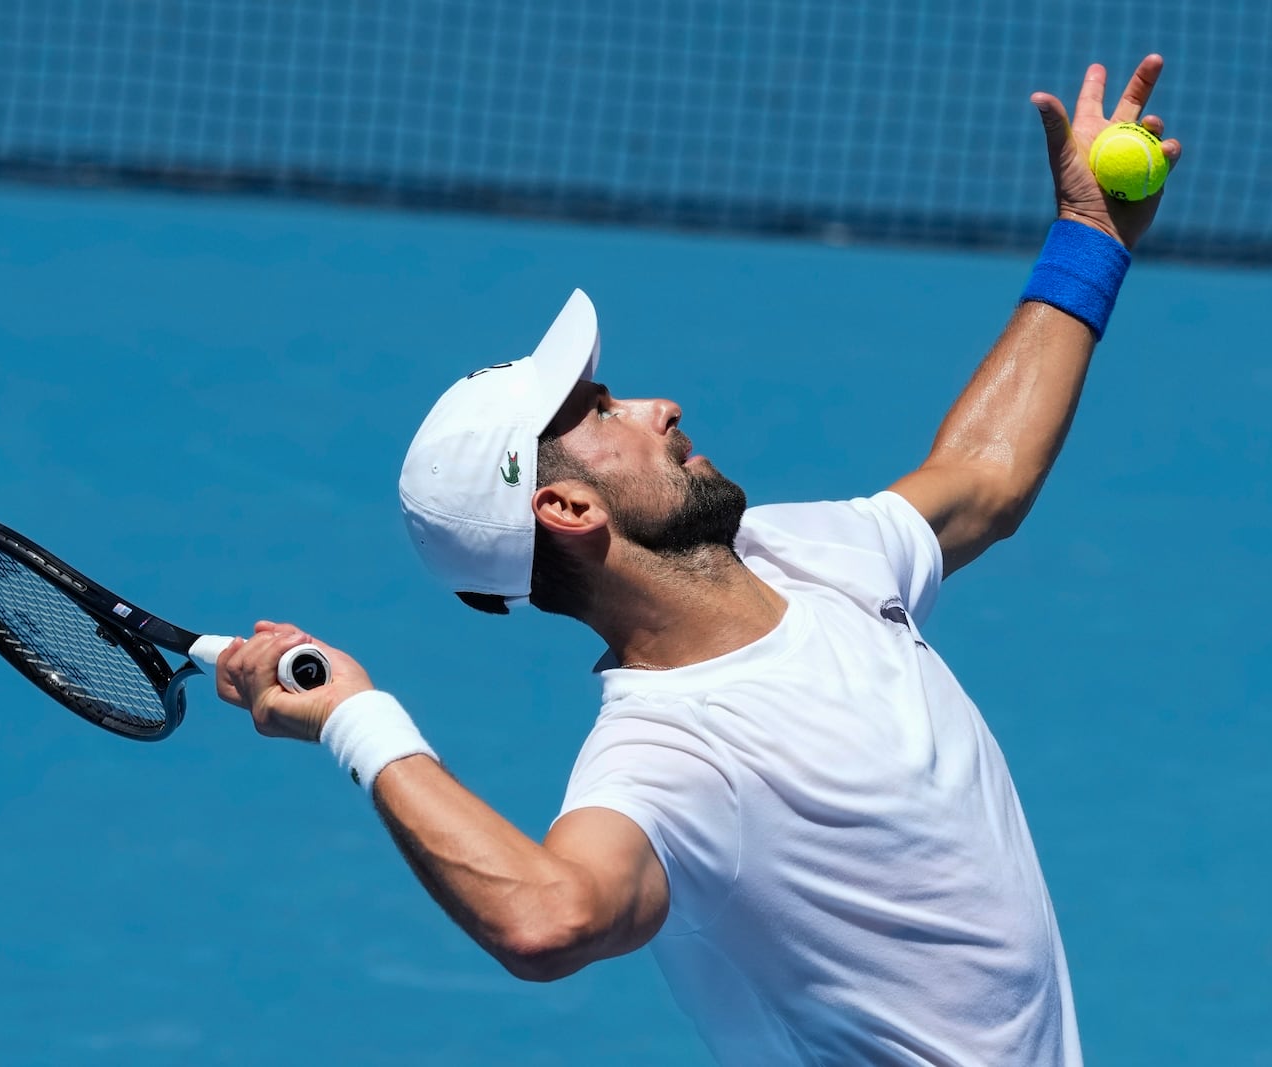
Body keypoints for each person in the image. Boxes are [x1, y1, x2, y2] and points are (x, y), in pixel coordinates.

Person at [215, 55, 1182, 1066]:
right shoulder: (674, 756)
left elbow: (982, 477)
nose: (658, 405)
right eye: (601, 413)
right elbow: (548, 917)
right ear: (563, 505)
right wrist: (356, 719)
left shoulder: (809, 551)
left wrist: (1088, 241)